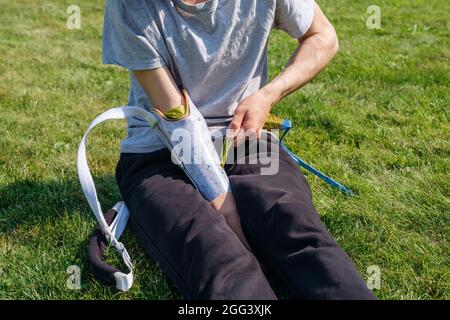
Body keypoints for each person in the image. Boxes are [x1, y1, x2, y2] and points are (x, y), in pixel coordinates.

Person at [102, 0, 376, 299]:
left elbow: (322, 36)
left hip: (244, 138)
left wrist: (268, 95)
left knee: (292, 224)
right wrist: (224, 203)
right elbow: (176, 118)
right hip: (160, 152)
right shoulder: (131, 5)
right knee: (215, 252)